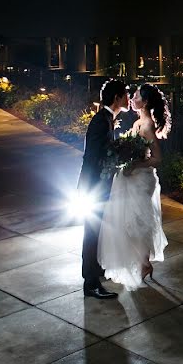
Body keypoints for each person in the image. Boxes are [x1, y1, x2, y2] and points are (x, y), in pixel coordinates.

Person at [98, 83, 171, 290]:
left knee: (138, 223)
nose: (131, 98)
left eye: (136, 95)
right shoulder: (139, 122)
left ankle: (144, 264)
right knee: (128, 223)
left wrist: (135, 164)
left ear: (144, 101)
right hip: (131, 177)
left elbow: (157, 158)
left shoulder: (147, 126)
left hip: (142, 180)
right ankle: (142, 263)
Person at [78, 79, 129, 299]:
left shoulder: (107, 119)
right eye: (126, 94)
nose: (128, 98)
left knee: (97, 233)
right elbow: (91, 157)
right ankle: (90, 284)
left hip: (98, 186)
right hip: (93, 188)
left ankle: (95, 273)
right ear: (117, 98)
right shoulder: (101, 121)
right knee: (91, 234)